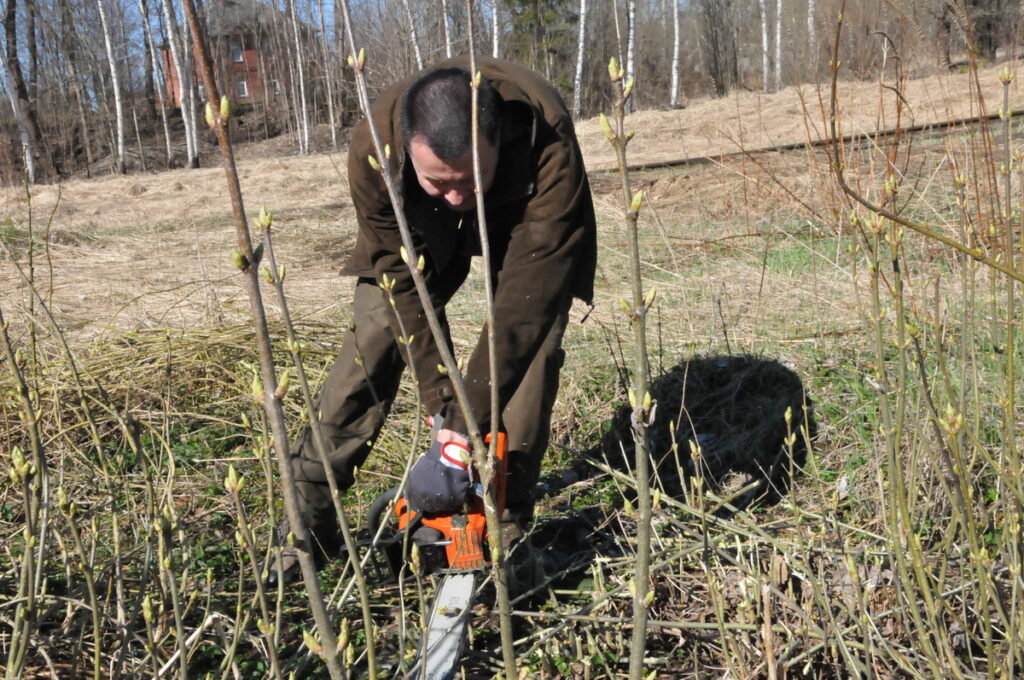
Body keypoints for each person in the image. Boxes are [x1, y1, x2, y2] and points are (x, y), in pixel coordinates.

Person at [272, 56, 596, 584]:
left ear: (495, 142)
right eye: (438, 181)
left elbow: (527, 303)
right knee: (373, 342)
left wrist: (467, 424)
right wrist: (443, 407)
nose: (457, 196)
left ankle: (501, 522)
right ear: (409, 154)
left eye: (470, 179)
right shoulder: (373, 150)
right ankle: (303, 526)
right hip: (419, 233)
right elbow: (400, 285)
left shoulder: (547, 135)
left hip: (526, 219)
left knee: (529, 354)